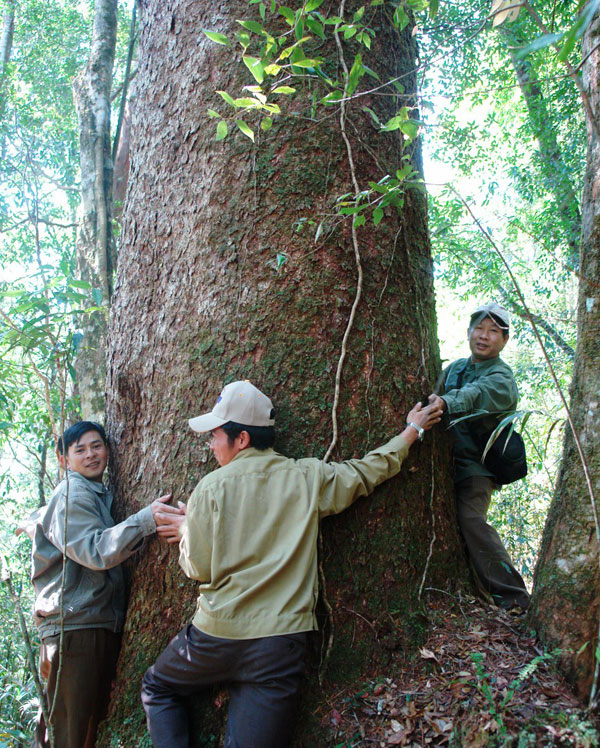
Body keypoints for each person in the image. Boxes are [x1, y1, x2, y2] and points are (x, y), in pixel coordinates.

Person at [141, 379, 443, 748]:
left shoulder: (210, 488)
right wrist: (411, 431)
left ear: (242, 440)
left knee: (157, 686)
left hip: (214, 639)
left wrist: (189, 530)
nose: (210, 445)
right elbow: (366, 472)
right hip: (278, 646)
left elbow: (198, 569)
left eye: (215, 435)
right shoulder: (306, 478)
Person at [26, 420, 184, 748]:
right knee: (69, 734)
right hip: (73, 629)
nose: (91, 454)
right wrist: (146, 520)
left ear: (108, 449)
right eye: (79, 449)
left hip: (89, 625)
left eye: (96, 446)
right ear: (63, 459)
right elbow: (95, 550)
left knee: (86, 731)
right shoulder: (72, 493)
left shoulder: (94, 493)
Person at [428, 302, 530, 611]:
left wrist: (445, 402)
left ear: (505, 340)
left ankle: (514, 598)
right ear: (469, 332)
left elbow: (476, 395)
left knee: (471, 520)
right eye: (479, 329)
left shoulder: (502, 378)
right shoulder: (456, 368)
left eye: (493, 331)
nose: (484, 336)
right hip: (442, 460)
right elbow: (434, 394)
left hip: (476, 468)